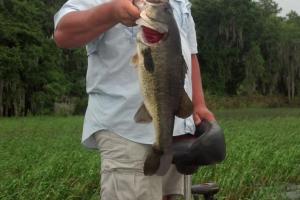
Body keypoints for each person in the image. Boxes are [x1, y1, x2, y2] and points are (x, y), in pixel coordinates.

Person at [54, 0, 215, 199]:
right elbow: (63, 34)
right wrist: (112, 12)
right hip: (127, 134)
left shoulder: (178, 3)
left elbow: (190, 54)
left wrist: (198, 104)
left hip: (177, 135)